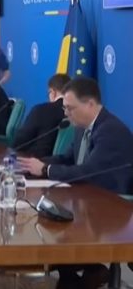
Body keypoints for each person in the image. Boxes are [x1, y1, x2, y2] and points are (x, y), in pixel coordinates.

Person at [19, 78, 133, 289]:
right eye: (64, 108)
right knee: (49, 218)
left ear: (90, 104)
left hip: (114, 206)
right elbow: (67, 159)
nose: (66, 114)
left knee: (59, 225)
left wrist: (45, 170)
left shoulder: (111, 131)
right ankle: (84, 274)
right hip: (88, 196)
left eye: (70, 108)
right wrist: (32, 165)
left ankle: (86, 274)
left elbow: (88, 172)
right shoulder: (82, 127)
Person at [11, 74, 71, 158]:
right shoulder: (75, 113)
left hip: (34, 160)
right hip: (62, 162)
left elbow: (20, 140)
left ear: (52, 92)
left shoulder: (41, 110)